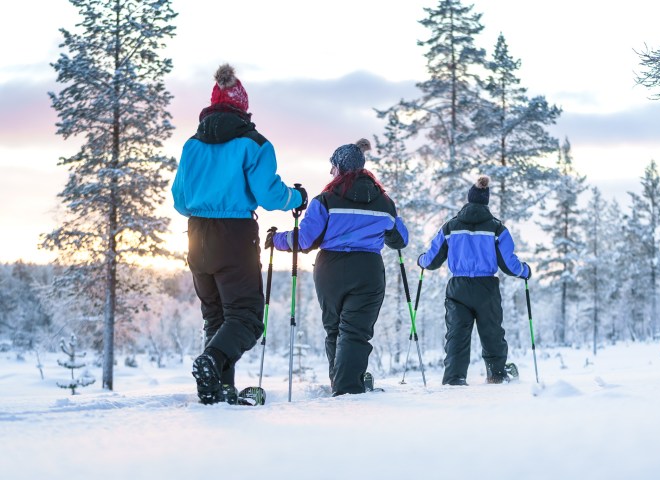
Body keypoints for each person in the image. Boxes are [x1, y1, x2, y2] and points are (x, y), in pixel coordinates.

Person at [171, 64, 307, 404]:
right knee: (246, 317)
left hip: (197, 235)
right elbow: (269, 195)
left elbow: (179, 200)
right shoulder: (254, 143)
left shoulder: (192, 144)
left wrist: (205, 206)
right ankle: (213, 362)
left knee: (215, 316)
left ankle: (218, 389)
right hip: (234, 234)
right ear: (242, 107)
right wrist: (297, 196)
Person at [267, 139, 408, 396]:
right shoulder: (384, 202)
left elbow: (305, 240)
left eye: (332, 167)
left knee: (335, 328)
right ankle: (347, 386)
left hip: (330, 270)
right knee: (355, 331)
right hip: (367, 269)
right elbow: (400, 239)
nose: (330, 172)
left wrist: (276, 239)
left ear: (340, 167)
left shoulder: (326, 200)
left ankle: (343, 385)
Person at [417, 175, 531, 385]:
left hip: (458, 288)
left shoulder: (450, 227)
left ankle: (454, 379)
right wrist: (524, 271)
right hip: (486, 287)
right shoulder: (497, 229)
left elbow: (431, 260)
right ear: (486, 202)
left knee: (457, 334)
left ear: (468, 200)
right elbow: (508, 264)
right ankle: (496, 375)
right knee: (492, 333)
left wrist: (421, 261)